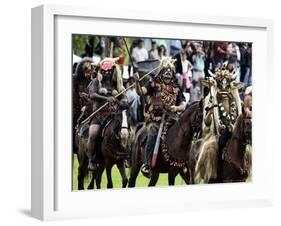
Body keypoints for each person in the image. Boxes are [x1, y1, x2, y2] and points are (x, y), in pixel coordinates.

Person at [133, 58, 186, 176]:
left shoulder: (176, 86)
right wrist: (137, 82)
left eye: (169, 75)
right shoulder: (153, 82)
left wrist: (176, 108)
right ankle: (147, 164)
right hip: (155, 121)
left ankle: (183, 162)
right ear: (162, 72)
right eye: (166, 75)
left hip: (172, 120)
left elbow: (183, 104)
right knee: (152, 133)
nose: (167, 78)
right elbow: (140, 92)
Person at [86, 57, 127, 171]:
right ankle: (91, 160)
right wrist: (106, 98)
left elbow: (123, 96)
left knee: (125, 132)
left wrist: (123, 100)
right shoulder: (96, 82)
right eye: (104, 70)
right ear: (101, 71)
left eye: (109, 70)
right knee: (93, 134)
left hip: (114, 116)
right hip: (99, 115)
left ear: (114, 71)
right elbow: (92, 95)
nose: (107, 73)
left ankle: (125, 156)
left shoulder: (117, 84)